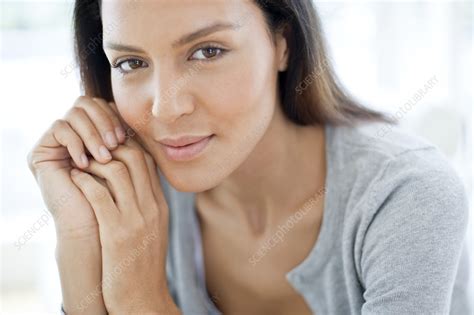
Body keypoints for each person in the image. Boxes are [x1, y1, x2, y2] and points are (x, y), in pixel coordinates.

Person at [27, 0, 470, 314]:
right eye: (130, 63)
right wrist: (79, 231)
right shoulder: (133, 188)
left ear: (284, 43)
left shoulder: (403, 193)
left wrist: (143, 302)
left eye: (207, 51)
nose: (165, 108)